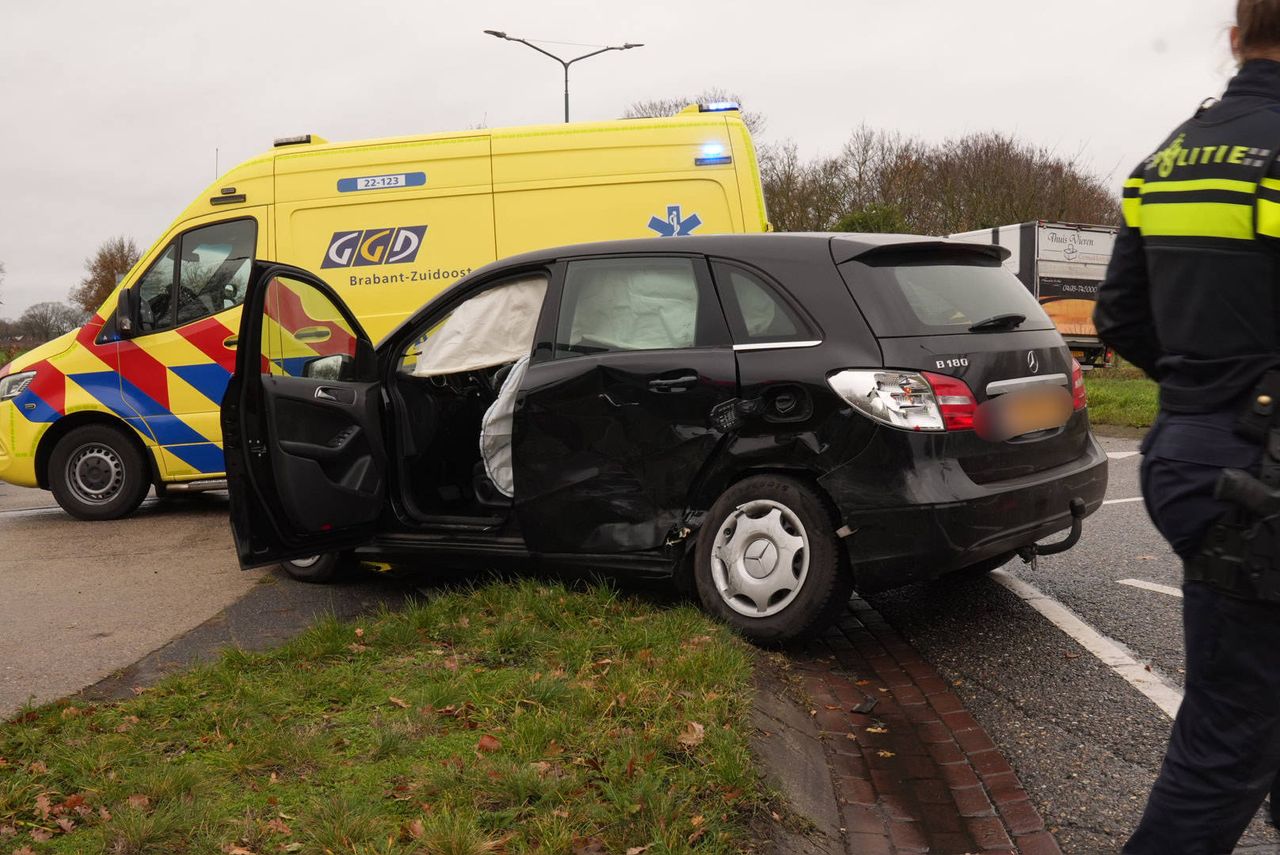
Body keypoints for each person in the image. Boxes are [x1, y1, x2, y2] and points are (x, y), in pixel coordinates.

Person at [1095, 3, 1280, 851]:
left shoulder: (1166, 158)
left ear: (1235, 37)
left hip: (1190, 455)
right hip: (1258, 480)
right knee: (1228, 739)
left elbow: (1119, 315)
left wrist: (1203, 388)